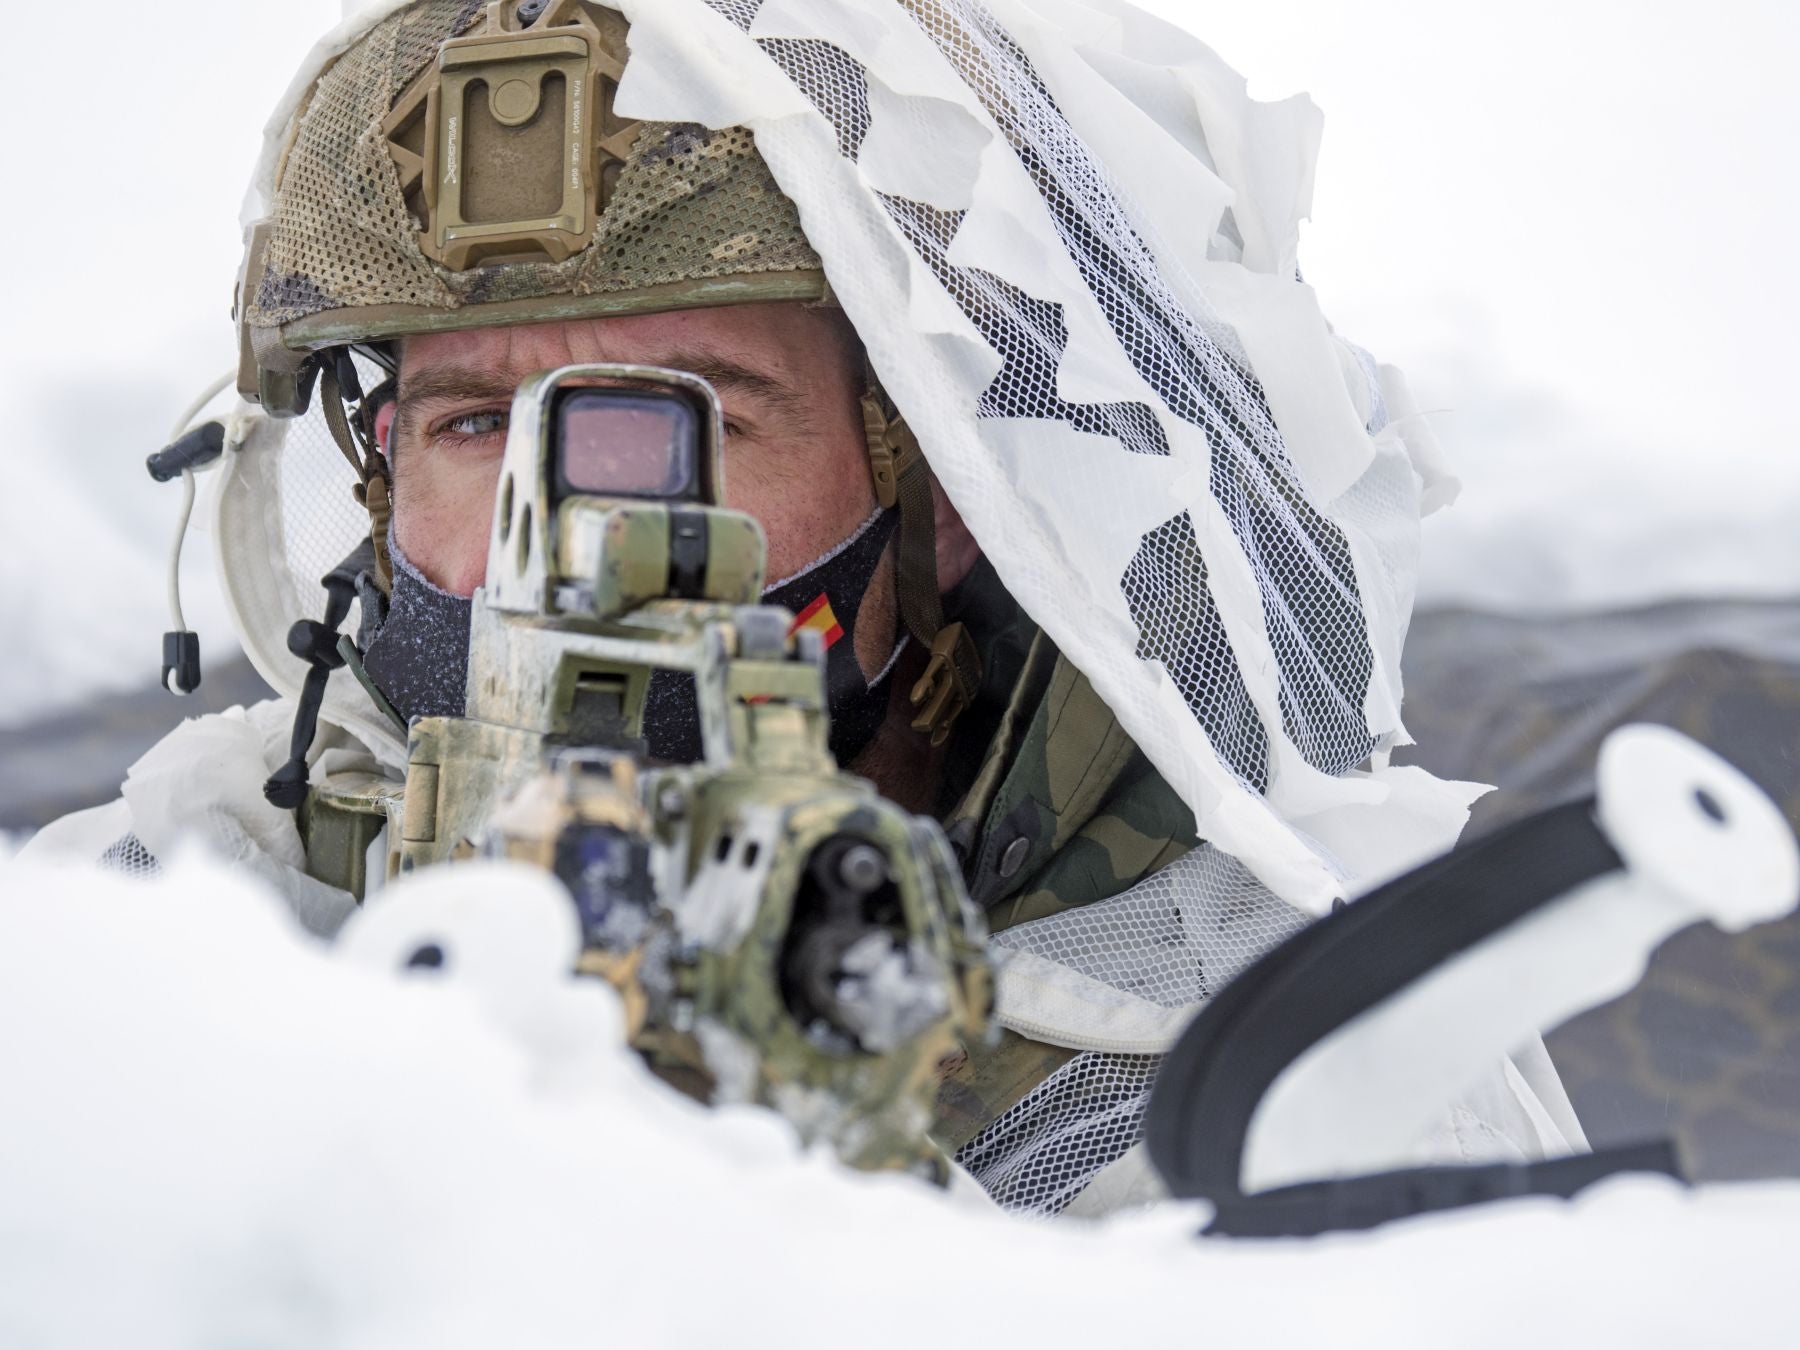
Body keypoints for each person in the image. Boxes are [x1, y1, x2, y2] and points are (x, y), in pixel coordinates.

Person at [25, 0, 1584, 1214]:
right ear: (375, 478)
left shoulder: (1276, 1080)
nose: (549, 538)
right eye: (471, 424)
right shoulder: (171, 924)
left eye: (682, 415)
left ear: (953, 495)